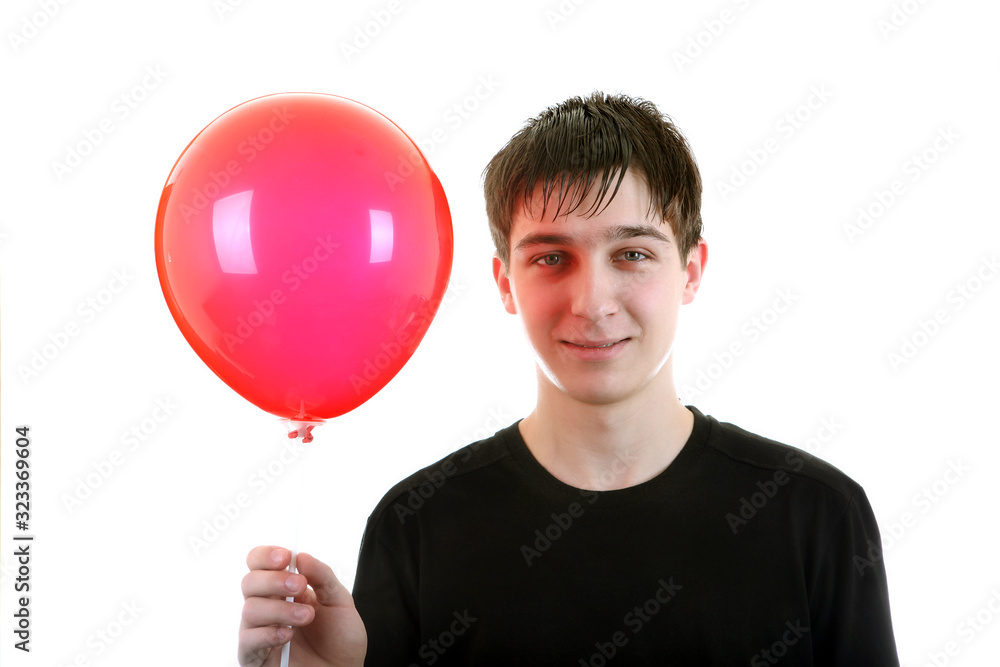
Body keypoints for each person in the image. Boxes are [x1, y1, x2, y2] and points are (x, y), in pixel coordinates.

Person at [238, 91, 900, 666]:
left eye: (632, 254)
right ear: (505, 283)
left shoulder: (816, 515)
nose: (593, 301)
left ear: (692, 271)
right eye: (552, 257)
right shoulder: (418, 527)